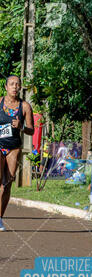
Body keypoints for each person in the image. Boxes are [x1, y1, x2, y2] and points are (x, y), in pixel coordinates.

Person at [0, 75, 34, 231]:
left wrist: (21, 127)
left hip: (14, 147)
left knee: (7, 185)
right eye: (12, 84)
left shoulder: (25, 107)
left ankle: (0, 218)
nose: (15, 87)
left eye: (17, 84)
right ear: (6, 87)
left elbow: (31, 130)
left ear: (20, 88)